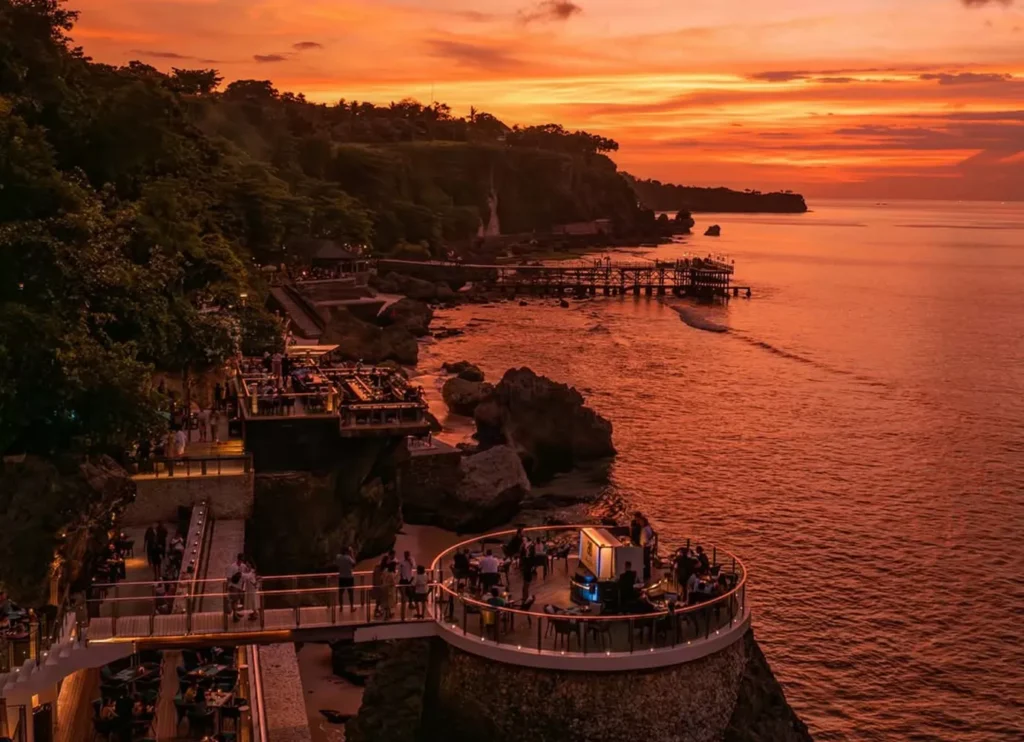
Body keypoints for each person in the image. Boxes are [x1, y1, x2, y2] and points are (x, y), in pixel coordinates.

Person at [336, 547, 357, 612]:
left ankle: (341, 607)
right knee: (350, 593)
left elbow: (337, 564)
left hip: (341, 577)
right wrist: (352, 553)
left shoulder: (338, 557)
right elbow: (354, 564)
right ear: (347, 552)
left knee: (340, 593)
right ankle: (351, 607)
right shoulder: (348, 558)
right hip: (349, 577)